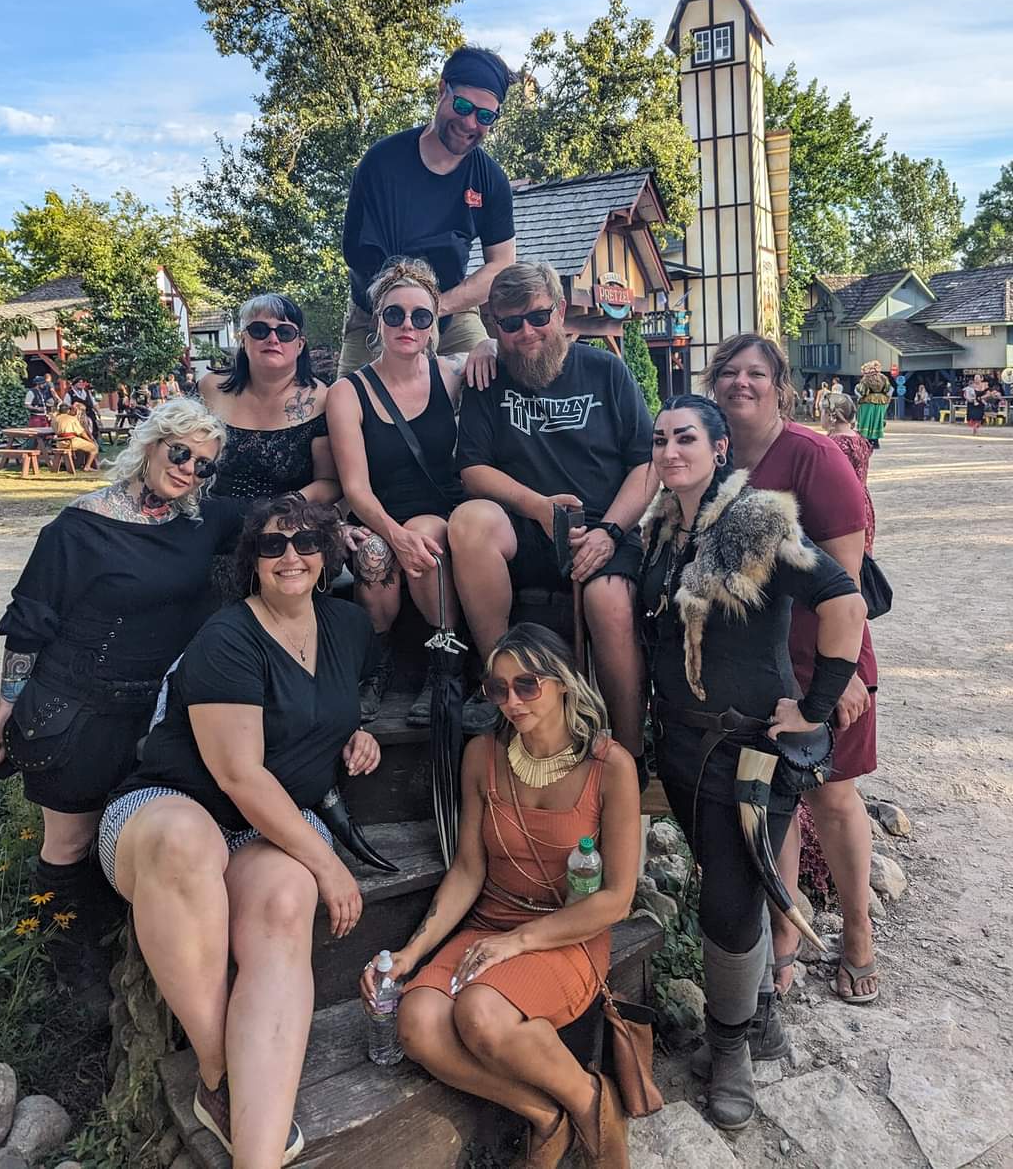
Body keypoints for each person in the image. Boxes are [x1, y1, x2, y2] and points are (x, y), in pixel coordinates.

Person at [100, 498, 382, 1168]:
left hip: (265, 829)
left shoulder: (347, 625)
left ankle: (256, 1154)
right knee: (186, 841)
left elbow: (355, 688)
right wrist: (331, 866)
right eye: (273, 545)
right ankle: (217, 1070)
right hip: (169, 808)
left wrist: (359, 730)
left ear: (327, 554)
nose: (291, 557)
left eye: (306, 542)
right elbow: (239, 776)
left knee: (285, 901)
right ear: (252, 561)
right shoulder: (227, 636)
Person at [638, 395, 865, 1129]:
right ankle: (759, 1009)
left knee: (730, 900)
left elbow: (844, 601)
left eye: (685, 438)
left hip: (749, 754)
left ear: (719, 448)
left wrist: (816, 705)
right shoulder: (661, 527)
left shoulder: (755, 521)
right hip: (681, 746)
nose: (670, 451)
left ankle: (731, 1048)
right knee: (726, 877)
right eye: (660, 440)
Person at [0, 399, 242, 998]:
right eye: (180, 453)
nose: (189, 470)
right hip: (76, 709)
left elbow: (282, 519)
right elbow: (31, 623)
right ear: (150, 444)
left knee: (126, 838)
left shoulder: (203, 521)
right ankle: (64, 970)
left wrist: (355, 529)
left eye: (204, 464)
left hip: (153, 716)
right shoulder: (78, 527)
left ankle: (118, 949)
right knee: (70, 842)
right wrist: (6, 706)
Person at [362, 623, 640, 1169]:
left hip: (569, 934)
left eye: (527, 685)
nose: (512, 701)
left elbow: (617, 899)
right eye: (498, 689)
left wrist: (519, 942)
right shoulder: (482, 755)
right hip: (490, 923)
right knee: (416, 1023)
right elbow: (468, 870)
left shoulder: (610, 767)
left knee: (480, 1013)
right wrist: (410, 953)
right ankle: (547, 1115)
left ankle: (591, 1101)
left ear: (563, 683)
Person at [704, 335, 881, 1007]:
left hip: (821, 658)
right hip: (754, 661)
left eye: (757, 372)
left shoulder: (812, 456)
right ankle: (786, 925)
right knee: (771, 799)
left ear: (780, 386)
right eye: (729, 372)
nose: (741, 383)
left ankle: (858, 931)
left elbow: (846, 579)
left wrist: (843, 675)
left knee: (830, 796)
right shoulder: (713, 456)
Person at [450, 262, 654, 766]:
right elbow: (472, 470)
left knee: (609, 601)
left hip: (600, 529)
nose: (526, 332)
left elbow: (647, 463)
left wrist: (611, 531)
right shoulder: (486, 377)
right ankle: (498, 679)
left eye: (538, 317)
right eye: (510, 323)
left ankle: (630, 752)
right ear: (493, 324)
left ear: (560, 312)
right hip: (522, 529)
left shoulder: (606, 370)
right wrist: (536, 507)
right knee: (469, 522)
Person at [327, 258, 486, 727]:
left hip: (436, 509)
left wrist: (489, 344)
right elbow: (355, 487)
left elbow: (497, 356)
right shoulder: (349, 391)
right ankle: (377, 665)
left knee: (423, 539)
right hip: (377, 510)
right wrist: (391, 534)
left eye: (421, 316)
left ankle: (445, 663)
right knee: (374, 554)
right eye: (395, 314)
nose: (408, 326)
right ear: (378, 320)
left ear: (434, 323)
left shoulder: (451, 374)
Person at [338, 45, 518, 376]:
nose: (470, 123)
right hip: (376, 313)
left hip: (451, 311)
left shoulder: (491, 179)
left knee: (490, 381)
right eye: (463, 106)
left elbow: (502, 264)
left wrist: (436, 308)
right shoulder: (382, 162)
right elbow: (357, 254)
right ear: (441, 90)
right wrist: (407, 312)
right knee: (345, 399)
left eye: (485, 116)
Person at [200, 294, 340, 508]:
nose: (273, 339)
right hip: (211, 515)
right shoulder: (210, 389)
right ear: (243, 339)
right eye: (259, 330)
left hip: (287, 518)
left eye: (285, 332)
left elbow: (330, 482)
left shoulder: (323, 400)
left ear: (300, 344)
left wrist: (286, 506)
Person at [826, 396, 875, 555]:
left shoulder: (835, 444)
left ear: (831, 415)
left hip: (842, 506)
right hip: (863, 502)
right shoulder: (858, 438)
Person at [854, 361, 892, 449]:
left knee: (866, 420)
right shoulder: (883, 378)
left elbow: (863, 391)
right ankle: (875, 441)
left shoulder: (866, 379)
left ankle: (867, 440)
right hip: (881, 402)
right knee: (877, 421)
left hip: (867, 402)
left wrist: (857, 389)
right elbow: (888, 389)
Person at [50, 403, 100, 471]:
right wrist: (90, 440)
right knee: (94, 448)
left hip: (59, 443)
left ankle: (78, 464)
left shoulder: (54, 419)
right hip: (71, 442)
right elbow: (81, 432)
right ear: (68, 410)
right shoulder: (72, 419)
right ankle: (87, 466)